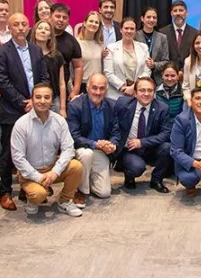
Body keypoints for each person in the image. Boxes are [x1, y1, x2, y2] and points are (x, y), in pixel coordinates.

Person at [0, 13, 50, 210]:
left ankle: (28, 187)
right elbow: (2, 81)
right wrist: (23, 102)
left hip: (36, 107)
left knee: (33, 149)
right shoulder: (1, 52)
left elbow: (44, 76)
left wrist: (37, 100)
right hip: (12, 109)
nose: (20, 28)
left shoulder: (35, 50)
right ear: (9, 28)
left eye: (24, 24)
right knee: (9, 152)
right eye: (16, 24)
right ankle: (5, 191)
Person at [11, 84, 85, 217]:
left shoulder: (59, 121)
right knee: (39, 195)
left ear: (52, 100)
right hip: (29, 172)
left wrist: (54, 172)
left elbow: (68, 149)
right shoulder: (21, 124)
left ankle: (65, 201)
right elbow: (18, 158)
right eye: (38, 97)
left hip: (52, 168)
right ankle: (32, 200)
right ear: (32, 99)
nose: (42, 101)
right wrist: (38, 177)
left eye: (47, 97)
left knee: (76, 166)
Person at [66, 73, 120, 202]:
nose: (98, 92)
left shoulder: (112, 106)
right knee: (87, 155)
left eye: (102, 88)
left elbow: (116, 132)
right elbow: (74, 136)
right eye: (94, 88)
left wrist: (112, 144)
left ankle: (86, 176)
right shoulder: (75, 106)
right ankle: (81, 191)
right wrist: (95, 144)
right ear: (87, 88)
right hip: (81, 149)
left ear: (106, 90)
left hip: (100, 151)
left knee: (104, 193)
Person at [114, 78, 174, 192]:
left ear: (154, 92)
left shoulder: (162, 108)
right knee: (136, 168)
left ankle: (156, 180)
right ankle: (129, 175)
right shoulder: (123, 104)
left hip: (151, 148)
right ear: (135, 93)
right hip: (130, 149)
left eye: (150, 90)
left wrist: (142, 142)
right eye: (142, 90)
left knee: (167, 147)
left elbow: (166, 134)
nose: (146, 94)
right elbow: (114, 125)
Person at [104, 18, 150, 100]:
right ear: (121, 30)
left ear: (135, 31)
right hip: (116, 95)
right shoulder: (111, 48)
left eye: (132, 29)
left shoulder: (143, 47)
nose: (129, 31)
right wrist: (123, 88)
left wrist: (134, 87)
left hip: (137, 94)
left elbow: (147, 71)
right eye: (126, 28)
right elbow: (108, 73)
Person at [29, 20, 67, 116]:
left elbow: (62, 83)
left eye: (46, 29)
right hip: (33, 101)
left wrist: (63, 108)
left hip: (54, 101)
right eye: (40, 28)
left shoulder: (57, 55)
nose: (43, 31)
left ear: (50, 36)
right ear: (34, 33)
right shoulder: (27, 54)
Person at [50, 3, 83, 100]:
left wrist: (75, 90)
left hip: (62, 91)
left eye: (64, 17)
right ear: (50, 16)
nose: (61, 20)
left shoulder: (72, 41)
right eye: (57, 16)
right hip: (38, 90)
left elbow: (78, 66)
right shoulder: (38, 36)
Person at [134, 6, 170, 86]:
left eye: (154, 18)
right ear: (142, 18)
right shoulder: (135, 36)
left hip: (158, 80)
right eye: (148, 17)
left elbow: (166, 61)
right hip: (138, 78)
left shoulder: (162, 37)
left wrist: (154, 65)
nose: (151, 20)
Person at [159, 0, 198, 69]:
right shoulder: (162, 33)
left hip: (188, 72)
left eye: (181, 10)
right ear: (171, 13)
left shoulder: (195, 33)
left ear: (186, 13)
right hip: (168, 73)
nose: (178, 13)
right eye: (175, 11)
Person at [77, 10, 105, 94]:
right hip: (81, 86)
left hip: (97, 86)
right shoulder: (76, 43)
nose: (93, 24)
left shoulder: (100, 45)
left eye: (96, 22)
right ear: (84, 23)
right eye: (91, 21)